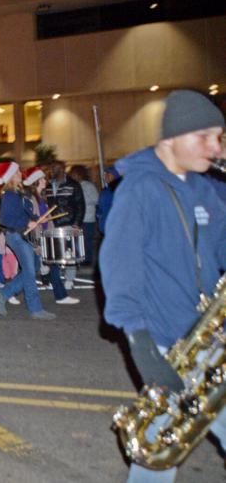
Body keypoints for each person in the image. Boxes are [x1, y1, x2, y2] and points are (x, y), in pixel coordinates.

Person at [100, 89, 226, 483]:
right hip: (166, 340)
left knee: (160, 445)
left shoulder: (207, 189)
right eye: (204, 137)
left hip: (207, 336)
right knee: (162, 440)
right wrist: (139, 342)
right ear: (172, 137)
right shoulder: (139, 189)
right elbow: (119, 266)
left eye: (219, 137)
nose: (216, 147)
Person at [0, 162, 56, 320]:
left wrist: (35, 219)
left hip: (22, 235)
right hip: (16, 236)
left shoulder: (19, 193)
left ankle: (3, 294)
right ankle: (35, 309)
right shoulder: (10, 195)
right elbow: (4, 220)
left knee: (34, 266)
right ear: (11, 176)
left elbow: (22, 213)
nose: (20, 173)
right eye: (17, 171)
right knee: (30, 272)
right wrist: (27, 223)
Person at [22, 167, 79, 305]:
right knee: (32, 268)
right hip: (38, 237)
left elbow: (45, 219)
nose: (44, 180)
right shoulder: (31, 199)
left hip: (46, 236)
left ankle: (61, 296)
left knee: (51, 266)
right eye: (41, 179)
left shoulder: (41, 197)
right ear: (35, 182)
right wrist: (40, 223)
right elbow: (32, 219)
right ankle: (8, 292)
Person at [44, 161, 85, 289]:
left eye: (54, 168)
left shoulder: (73, 184)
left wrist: (77, 223)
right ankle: (55, 280)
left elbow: (80, 205)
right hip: (53, 223)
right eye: (51, 168)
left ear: (62, 169)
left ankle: (69, 279)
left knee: (69, 252)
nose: (52, 170)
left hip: (68, 222)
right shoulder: (49, 185)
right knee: (53, 253)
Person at [69, 165, 99, 265]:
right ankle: (81, 258)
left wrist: (82, 202)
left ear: (79, 174)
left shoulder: (88, 186)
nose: (72, 176)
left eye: (73, 174)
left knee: (87, 240)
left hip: (88, 218)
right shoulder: (76, 186)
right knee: (80, 240)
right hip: (79, 218)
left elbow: (96, 199)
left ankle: (88, 259)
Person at [96, 165, 121, 235]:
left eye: (109, 174)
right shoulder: (107, 190)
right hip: (106, 226)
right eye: (105, 174)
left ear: (116, 176)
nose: (106, 176)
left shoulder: (119, 190)